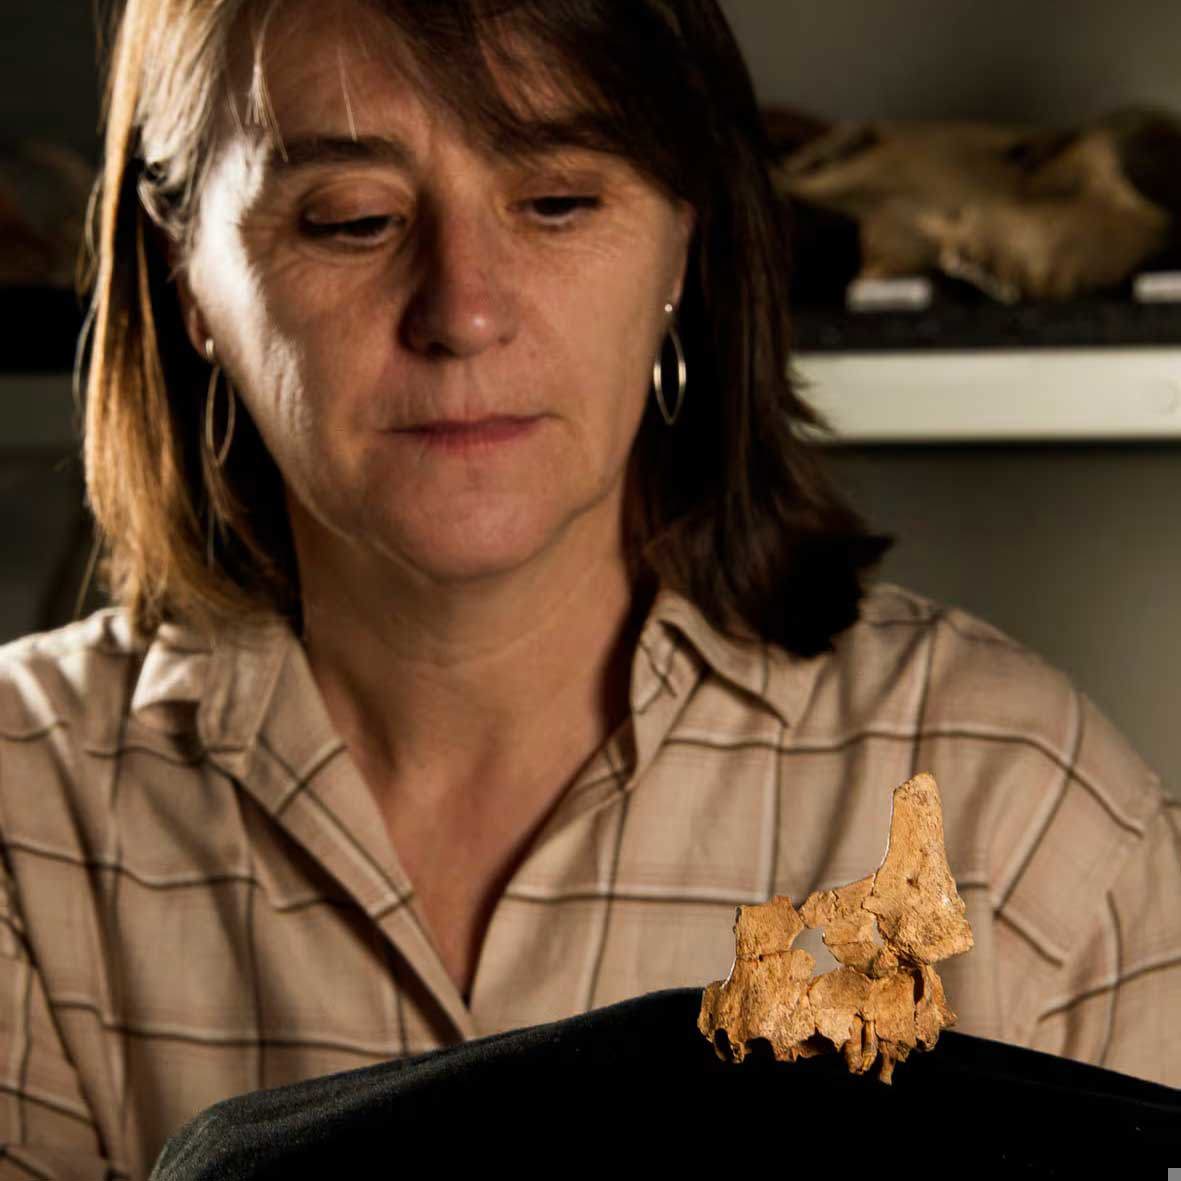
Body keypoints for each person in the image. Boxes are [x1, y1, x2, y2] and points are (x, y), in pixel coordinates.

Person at [1, 0, 1178, 1175]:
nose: (462, 309)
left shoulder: (1024, 815)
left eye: (557, 202)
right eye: (351, 220)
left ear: (685, 238)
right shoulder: (24, 807)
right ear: (184, 270)